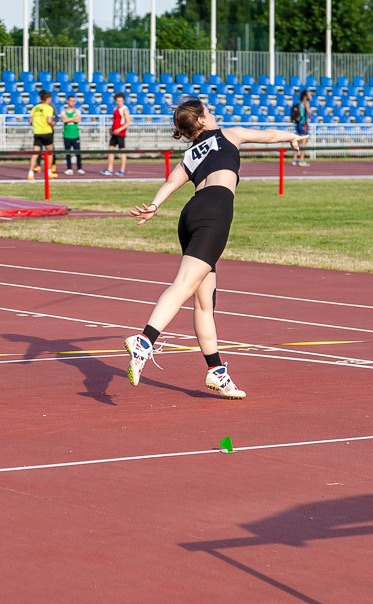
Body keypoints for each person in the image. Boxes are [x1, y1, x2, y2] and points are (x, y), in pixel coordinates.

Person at [123, 99, 307, 399]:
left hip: (190, 214)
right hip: (215, 211)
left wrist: (154, 206)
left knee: (204, 302)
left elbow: (171, 182)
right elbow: (271, 135)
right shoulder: (229, 134)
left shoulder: (191, 154)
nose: (214, 114)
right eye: (209, 111)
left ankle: (216, 371)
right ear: (202, 121)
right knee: (184, 285)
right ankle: (145, 340)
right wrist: (293, 136)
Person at [27, 90, 57, 181]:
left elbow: (30, 121)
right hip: (46, 132)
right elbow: (49, 121)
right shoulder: (49, 108)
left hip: (37, 132)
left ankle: (30, 173)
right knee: (50, 152)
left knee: (35, 154)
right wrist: (53, 124)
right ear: (47, 99)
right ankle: (49, 172)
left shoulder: (35, 107)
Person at [102, 92, 130, 176]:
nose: (119, 102)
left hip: (121, 134)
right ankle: (110, 169)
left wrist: (119, 129)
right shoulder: (115, 109)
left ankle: (122, 170)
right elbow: (114, 120)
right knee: (111, 150)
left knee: (122, 151)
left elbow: (128, 122)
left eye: (120, 101)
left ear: (123, 101)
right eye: (117, 101)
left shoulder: (125, 109)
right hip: (114, 133)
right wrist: (111, 129)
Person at [61, 94, 84, 175]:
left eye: (74, 101)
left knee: (77, 152)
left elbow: (79, 119)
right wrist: (73, 118)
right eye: (71, 101)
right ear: (67, 101)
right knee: (68, 153)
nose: (72, 102)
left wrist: (69, 119)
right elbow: (64, 120)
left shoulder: (77, 111)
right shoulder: (64, 111)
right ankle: (69, 168)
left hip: (75, 135)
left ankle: (79, 168)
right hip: (67, 135)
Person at [290, 89, 310, 166]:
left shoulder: (300, 103)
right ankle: (301, 160)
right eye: (309, 94)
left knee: (298, 141)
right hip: (303, 124)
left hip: (299, 124)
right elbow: (308, 112)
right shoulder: (306, 103)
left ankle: (294, 159)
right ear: (305, 96)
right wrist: (309, 115)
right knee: (304, 142)